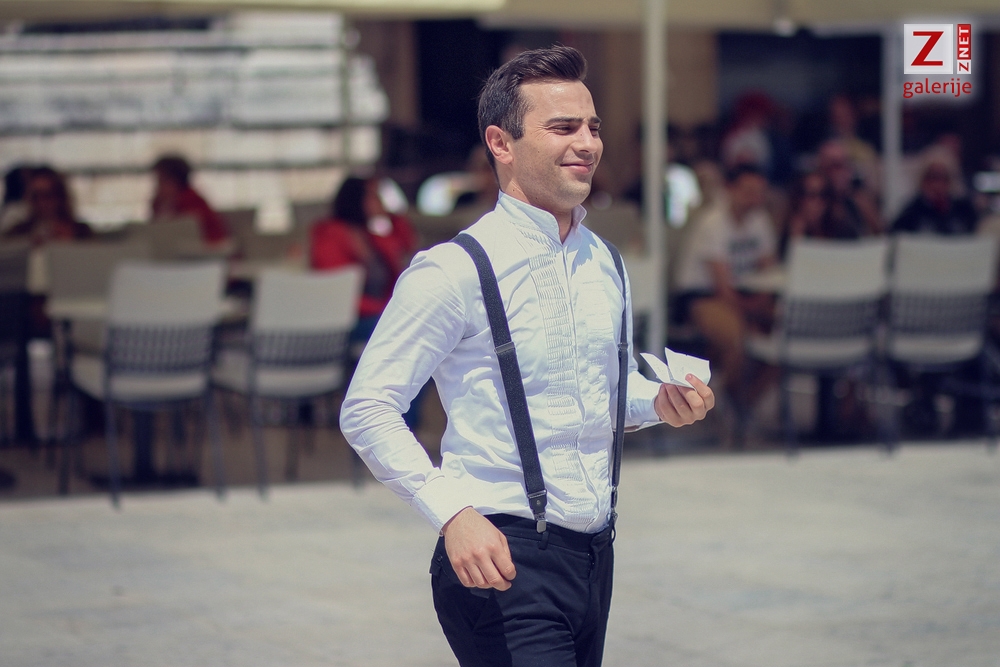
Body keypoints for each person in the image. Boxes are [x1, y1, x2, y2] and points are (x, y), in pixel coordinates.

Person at [339, 46, 714, 667]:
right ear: (501, 143)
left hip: (594, 554)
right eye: (563, 127)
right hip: (499, 554)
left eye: (592, 127)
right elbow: (368, 407)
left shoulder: (605, 261)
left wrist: (660, 402)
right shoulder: (453, 270)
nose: (587, 143)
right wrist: (451, 513)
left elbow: (599, 392)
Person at [675, 165, 777, 414]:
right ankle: (727, 402)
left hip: (744, 296)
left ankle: (741, 405)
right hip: (703, 296)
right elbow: (722, 287)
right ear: (730, 190)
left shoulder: (760, 220)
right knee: (737, 339)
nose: (754, 198)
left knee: (786, 338)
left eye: (759, 192)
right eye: (748, 191)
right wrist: (755, 309)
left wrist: (760, 305)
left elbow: (769, 270)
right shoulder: (713, 222)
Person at [150, 155, 228, 245]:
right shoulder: (160, 203)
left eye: (161, 181)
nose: (158, 187)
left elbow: (184, 231)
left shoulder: (191, 199)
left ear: (175, 182)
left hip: (207, 248)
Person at [892, 162, 978, 236]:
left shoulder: (964, 209)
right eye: (933, 178)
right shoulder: (912, 212)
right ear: (923, 181)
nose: (938, 184)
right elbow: (896, 235)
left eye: (943, 178)